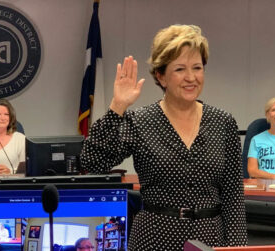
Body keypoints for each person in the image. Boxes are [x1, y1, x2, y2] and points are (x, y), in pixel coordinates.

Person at [80, 24, 247, 249]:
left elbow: (233, 196)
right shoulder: (140, 121)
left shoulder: (223, 122)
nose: (191, 77)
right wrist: (117, 106)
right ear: (161, 76)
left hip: (210, 239)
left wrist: (238, 247)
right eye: (180, 69)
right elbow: (92, 162)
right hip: (154, 238)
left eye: (197, 68)